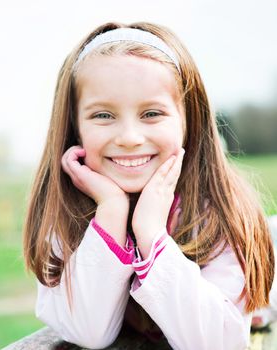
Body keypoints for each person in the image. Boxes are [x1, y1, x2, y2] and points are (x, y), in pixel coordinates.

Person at [23, 22, 274, 350]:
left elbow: (217, 343)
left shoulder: (222, 211)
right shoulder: (65, 214)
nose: (129, 137)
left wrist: (151, 233)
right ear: (74, 126)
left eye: (152, 113)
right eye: (102, 115)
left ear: (188, 120)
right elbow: (87, 331)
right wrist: (111, 210)